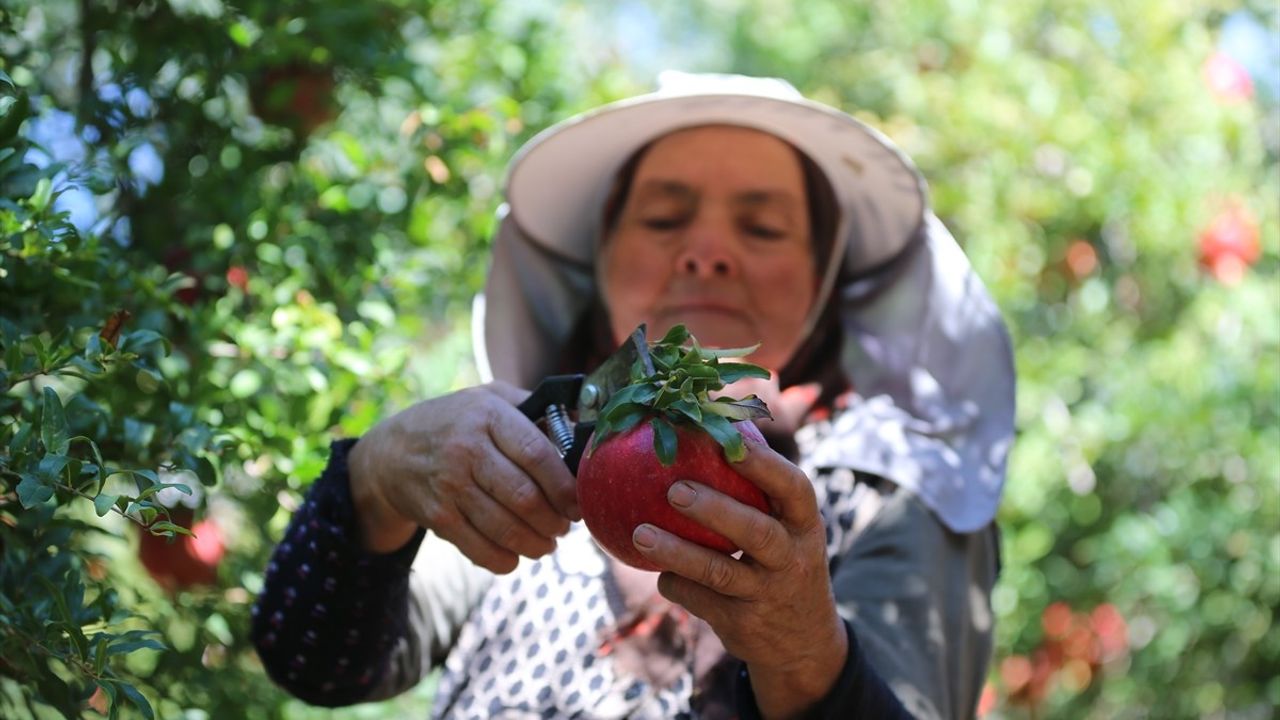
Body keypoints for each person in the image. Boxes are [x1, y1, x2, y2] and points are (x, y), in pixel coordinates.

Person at [251, 72, 1015, 720]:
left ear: (824, 287)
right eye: (662, 218)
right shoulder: (535, 450)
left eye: (764, 228)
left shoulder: (889, 490)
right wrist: (374, 480)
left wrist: (808, 656)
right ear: (600, 264)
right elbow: (319, 662)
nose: (708, 252)